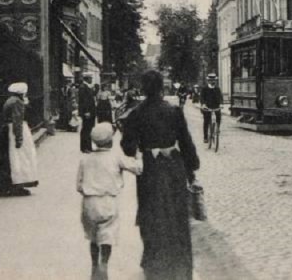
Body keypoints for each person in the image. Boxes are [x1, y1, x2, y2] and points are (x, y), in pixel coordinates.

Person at [120, 70, 200, 280]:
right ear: (162, 88)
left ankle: (154, 264)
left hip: (150, 169)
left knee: (151, 214)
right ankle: (180, 265)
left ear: (144, 88)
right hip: (174, 166)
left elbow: (128, 148)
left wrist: (134, 140)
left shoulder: (136, 113)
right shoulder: (174, 111)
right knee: (177, 215)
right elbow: (186, 142)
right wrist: (192, 166)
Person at [77, 123, 142, 280]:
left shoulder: (85, 159)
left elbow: (79, 185)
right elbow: (137, 168)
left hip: (89, 202)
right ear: (110, 141)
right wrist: (139, 157)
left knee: (93, 237)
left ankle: (94, 265)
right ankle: (104, 264)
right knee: (107, 235)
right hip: (108, 201)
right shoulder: (115, 157)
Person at [0, 82, 39, 196]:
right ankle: (18, 183)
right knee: (21, 157)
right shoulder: (18, 102)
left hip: (7, 129)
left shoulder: (10, 100)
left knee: (13, 157)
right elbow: (17, 120)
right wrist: (19, 138)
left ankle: (11, 185)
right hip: (14, 130)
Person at [200, 73, 223, 144]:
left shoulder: (217, 89)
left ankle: (217, 128)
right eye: (211, 80)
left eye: (214, 80)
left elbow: (220, 97)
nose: (213, 82)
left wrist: (221, 104)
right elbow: (202, 98)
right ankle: (205, 137)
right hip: (207, 107)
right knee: (206, 121)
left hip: (216, 107)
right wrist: (203, 104)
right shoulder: (204, 89)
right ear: (208, 81)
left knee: (219, 116)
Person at [79, 74, 97, 153]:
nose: (92, 79)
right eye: (90, 78)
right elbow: (84, 101)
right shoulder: (83, 87)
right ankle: (84, 147)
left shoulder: (87, 87)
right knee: (86, 129)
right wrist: (86, 111)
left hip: (90, 112)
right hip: (87, 112)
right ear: (87, 79)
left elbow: (92, 96)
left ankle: (88, 147)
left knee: (89, 129)